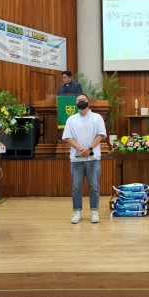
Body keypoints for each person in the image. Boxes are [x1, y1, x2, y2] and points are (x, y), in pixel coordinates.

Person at [62, 93, 107, 224]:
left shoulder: (97, 117)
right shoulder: (71, 119)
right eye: (78, 100)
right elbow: (67, 137)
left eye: (83, 99)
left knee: (94, 187)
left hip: (93, 159)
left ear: (88, 102)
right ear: (76, 104)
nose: (81, 101)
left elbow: (101, 135)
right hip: (76, 160)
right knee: (76, 188)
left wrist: (89, 148)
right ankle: (77, 212)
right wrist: (80, 149)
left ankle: (94, 212)